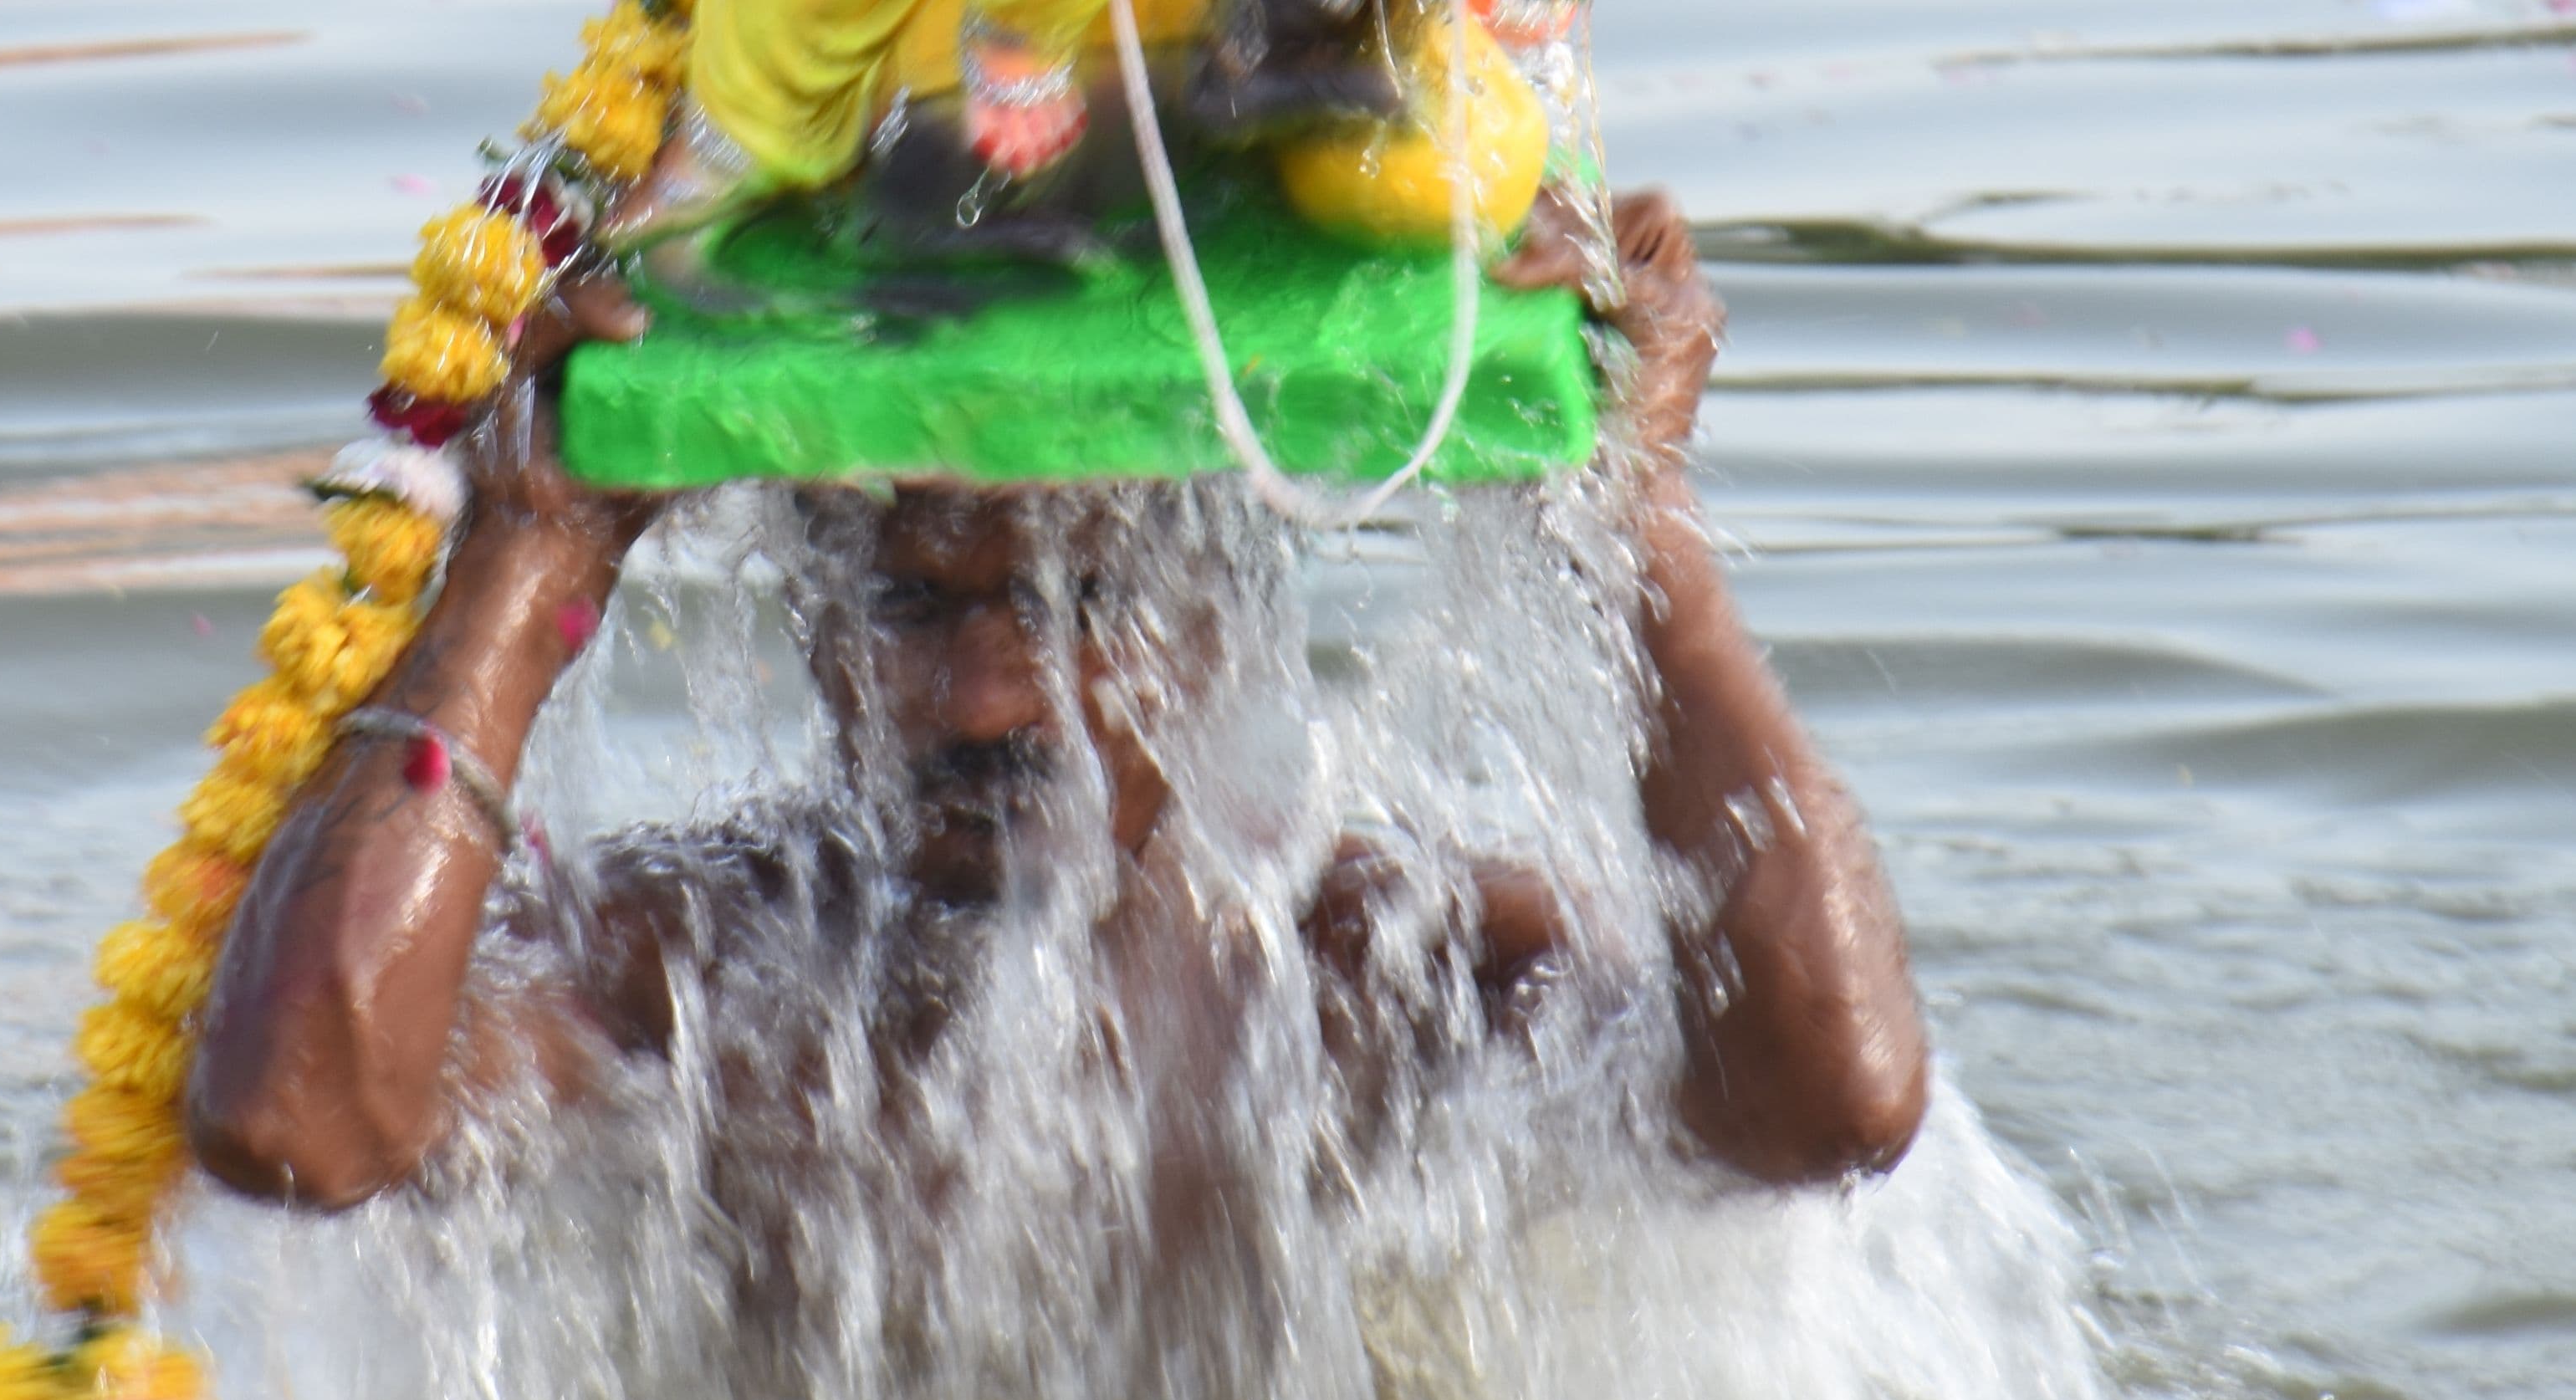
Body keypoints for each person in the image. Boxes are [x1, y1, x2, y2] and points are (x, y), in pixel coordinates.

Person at [188, 199, 1928, 1244]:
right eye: (911, 604)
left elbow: (1831, 1098)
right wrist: (520, 560)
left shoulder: (1375, 974)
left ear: (1236, 611)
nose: (992, 695)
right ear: (807, 614)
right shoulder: (698, 975)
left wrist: (1641, 539)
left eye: (1087, 601)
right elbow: (297, 1121)